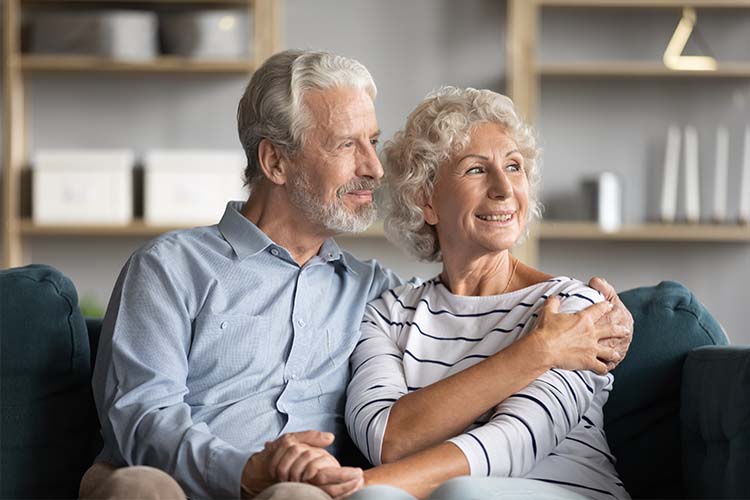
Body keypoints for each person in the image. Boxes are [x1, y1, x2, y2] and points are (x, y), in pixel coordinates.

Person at [80, 51, 632, 500]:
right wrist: (248, 470)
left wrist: (608, 316)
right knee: (137, 489)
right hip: (176, 483)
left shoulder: (373, 290)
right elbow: (143, 417)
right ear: (275, 163)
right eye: (348, 145)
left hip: (304, 491)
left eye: (373, 140)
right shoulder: (170, 268)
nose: (373, 166)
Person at [344, 87, 630, 499]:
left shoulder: (573, 308)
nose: (503, 188)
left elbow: (513, 443)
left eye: (514, 167)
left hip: (559, 491)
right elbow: (388, 440)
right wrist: (538, 351)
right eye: (476, 170)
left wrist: (348, 487)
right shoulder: (388, 314)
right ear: (426, 200)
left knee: (460, 494)